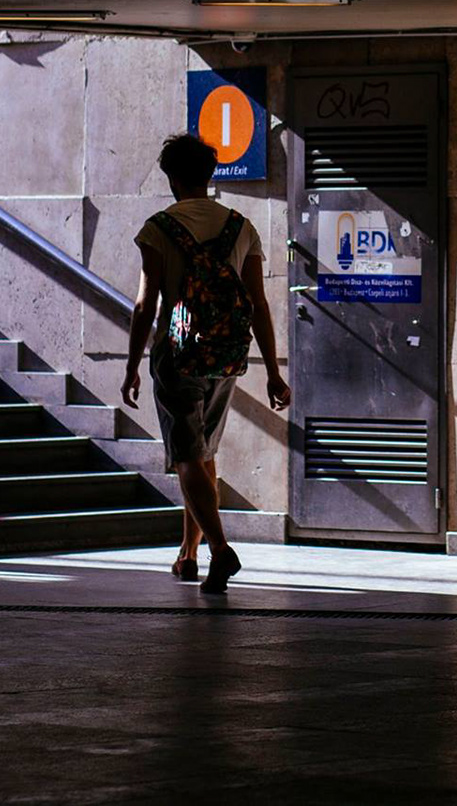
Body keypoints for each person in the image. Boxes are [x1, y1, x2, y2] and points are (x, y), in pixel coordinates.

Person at [121, 134, 290, 593]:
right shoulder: (241, 226)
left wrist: (132, 365)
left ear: (172, 178)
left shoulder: (159, 227)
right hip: (226, 357)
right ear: (209, 174)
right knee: (203, 456)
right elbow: (257, 303)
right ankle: (189, 553)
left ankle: (220, 549)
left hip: (178, 355)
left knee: (187, 457)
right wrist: (273, 371)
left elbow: (146, 304)